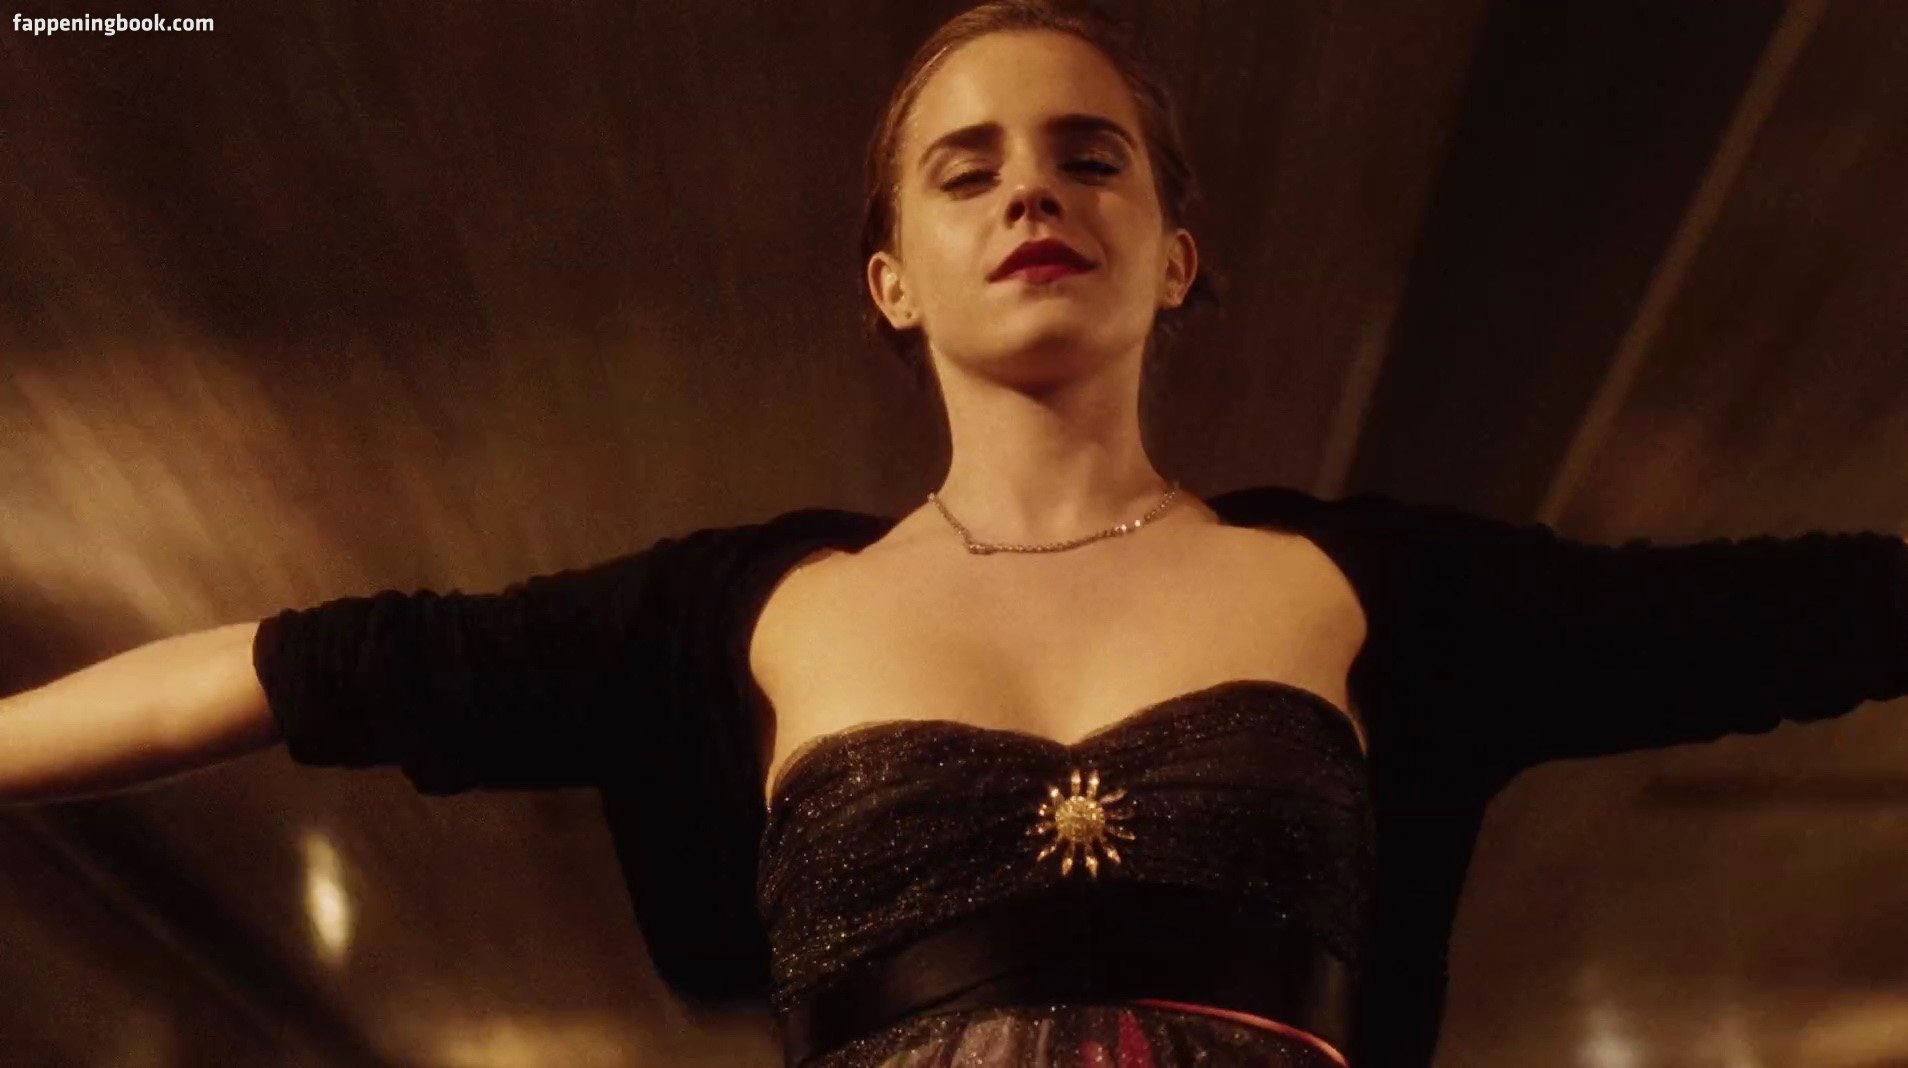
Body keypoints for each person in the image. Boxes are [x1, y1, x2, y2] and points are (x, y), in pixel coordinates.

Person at [3, 2, 1905, 1066]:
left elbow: (1785, 618)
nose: (1031, 197)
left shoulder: (1375, 590)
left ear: (1177, 254)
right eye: (966, 168)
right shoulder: (745, 614)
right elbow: (297, 669)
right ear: (893, 277)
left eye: (1092, 158)